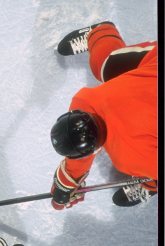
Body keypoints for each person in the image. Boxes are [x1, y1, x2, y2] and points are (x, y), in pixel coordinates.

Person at [50, 21, 157, 209]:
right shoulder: (85, 102)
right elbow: (80, 138)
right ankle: (100, 34)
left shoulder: (130, 157)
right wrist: (65, 183)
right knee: (107, 65)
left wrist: (64, 189)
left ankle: (151, 183)